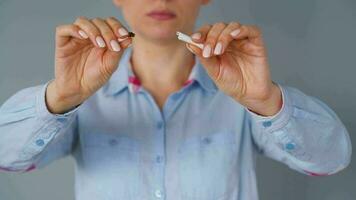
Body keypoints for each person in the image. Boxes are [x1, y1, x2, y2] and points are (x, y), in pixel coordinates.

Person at [0, 0, 352, 199]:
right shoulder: (83, 100)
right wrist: (62, 96)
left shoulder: (242, 97)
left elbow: (332, 159)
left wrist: (265, 99)